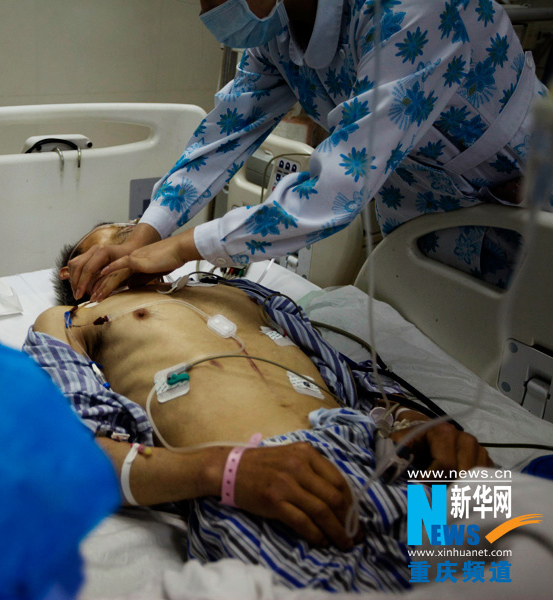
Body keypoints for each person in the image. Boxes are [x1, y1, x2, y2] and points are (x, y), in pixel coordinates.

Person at [33, 222, 492, 591]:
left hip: (383, 456)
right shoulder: (73, 319)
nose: (136, 242)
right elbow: (75, 452)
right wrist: (225, 471)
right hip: (261, 484)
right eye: (115, 239)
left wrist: (420, 424)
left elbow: (352, 378)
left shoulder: (240, 292)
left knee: (505, 560)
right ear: (74, 273)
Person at [66, 0, 550, 304]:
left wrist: (179, 248)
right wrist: (146, 233)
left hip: (527, 194)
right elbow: (222, 136)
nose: (206, 9)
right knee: (451, 356)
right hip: (423, 213)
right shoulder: (277, 32)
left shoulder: (417, 10)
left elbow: (335, 186)